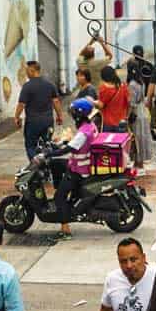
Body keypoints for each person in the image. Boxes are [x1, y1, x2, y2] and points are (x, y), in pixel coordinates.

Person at [52, 96, 101, 240]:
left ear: (78, 114)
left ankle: (65, 230)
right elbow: (75, 143)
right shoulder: (90, 126)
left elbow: (69, 149)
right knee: (56, 164)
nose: (72, 115)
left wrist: (49, 154)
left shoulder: (83, 132)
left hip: (79, 170)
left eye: (73, 113)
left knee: (59, 196)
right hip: (82, 165)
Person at [15, 59, 60, 160]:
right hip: (48, 121)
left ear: (32, 71)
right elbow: (56, 101)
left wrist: (17, 117)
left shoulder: (27, 86)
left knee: (30, 146)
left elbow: (21, 104)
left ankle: (35, 165)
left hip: (32, 122)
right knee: (47, 144)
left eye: (27, 71)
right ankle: (48, 165)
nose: (26, 73)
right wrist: (59, 116)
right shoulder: (49, 84)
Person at [96, 64, 131, 131]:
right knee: (120, 140)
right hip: (121, 121)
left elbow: (101, 105)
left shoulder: (104, 88)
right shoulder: (123, 86)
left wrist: (93, 102)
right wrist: (127, 116)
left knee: (109, 141)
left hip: (108, 122)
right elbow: (129, 102)